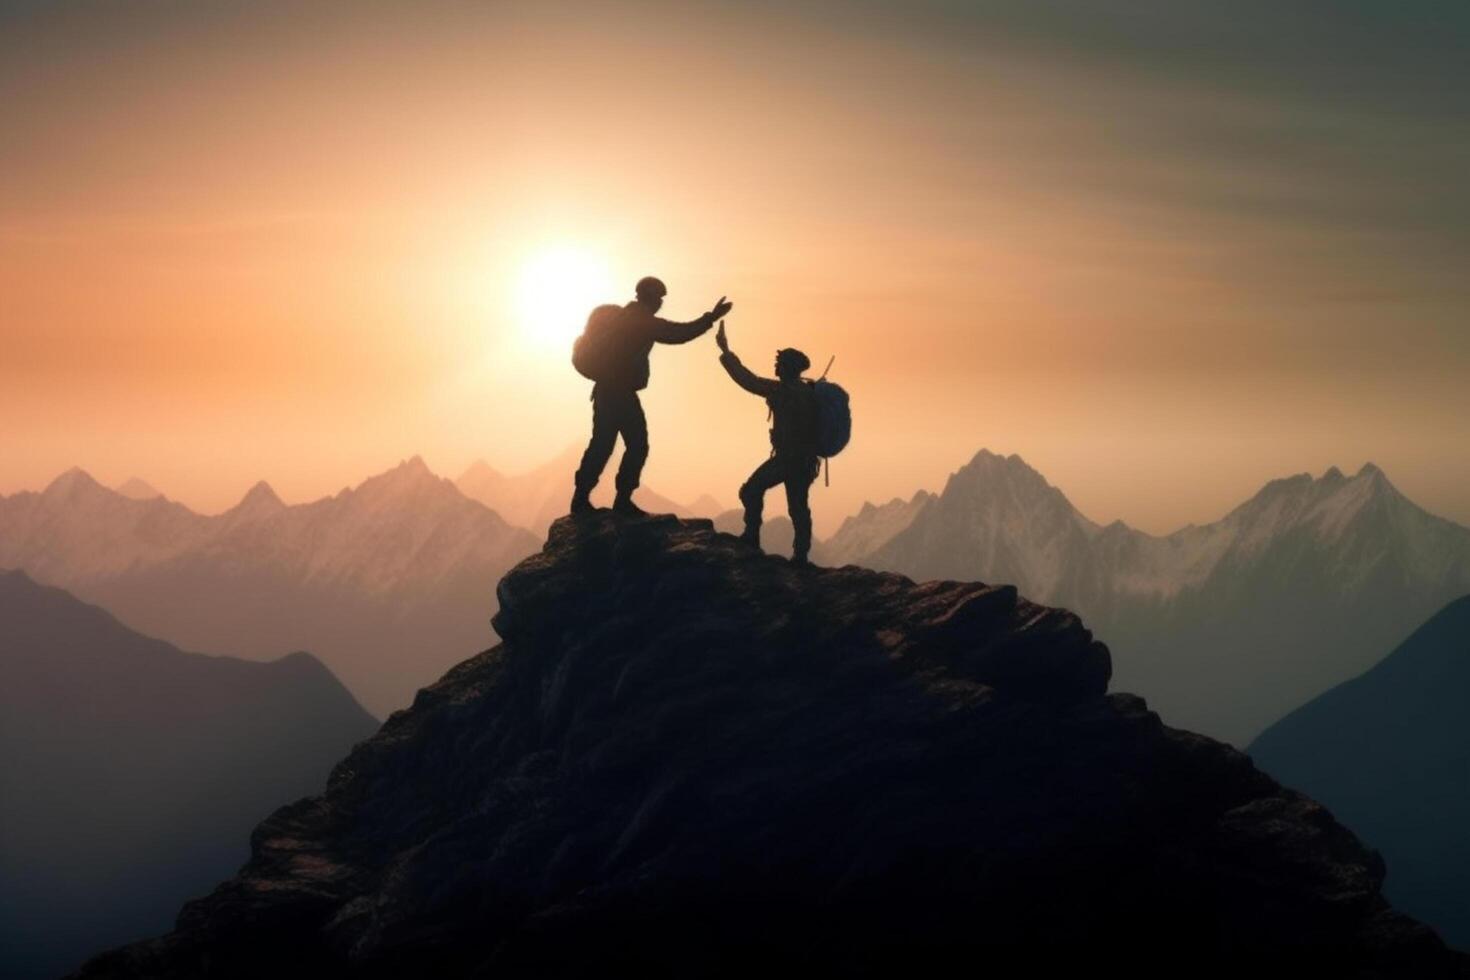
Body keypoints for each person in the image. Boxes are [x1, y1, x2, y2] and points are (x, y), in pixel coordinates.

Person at [571, 277, 732, 516]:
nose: (660, 304)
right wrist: (711, 317)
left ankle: (582, 499)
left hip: (608, 391)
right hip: (619, 393)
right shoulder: (641, 322)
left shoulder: (624, 317)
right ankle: (619, 501)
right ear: (651, 298)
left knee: (603, 445)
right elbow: (678, 333)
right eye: (659, 298)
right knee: (635, 445)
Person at [715, 320, 820, 565]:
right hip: (804, 462)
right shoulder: (808, 392)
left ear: (787, 368)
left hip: (787, 460)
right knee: (798, 507)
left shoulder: (782, 391)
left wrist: (725, 351)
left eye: (779, 363)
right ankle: (801, 555)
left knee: (751, 490)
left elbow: (747, 380)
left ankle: (752, 537)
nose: (775, 365)